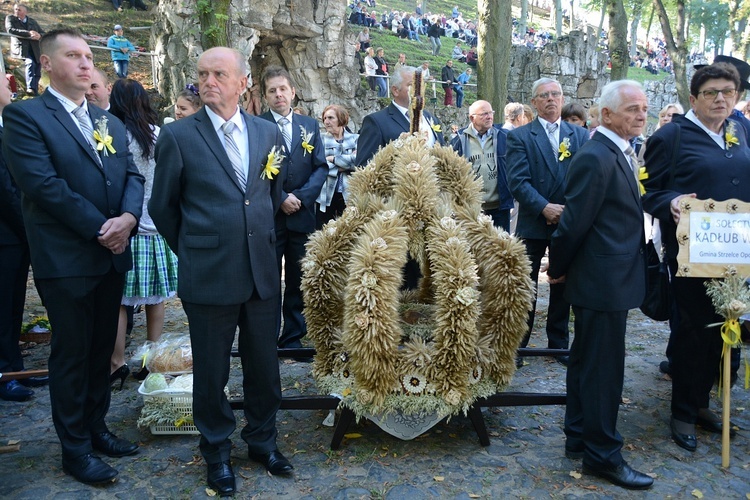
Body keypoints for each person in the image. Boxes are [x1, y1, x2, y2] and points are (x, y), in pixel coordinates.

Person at [3, 28, 144, 485]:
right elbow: (43, 186)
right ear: (46, 64)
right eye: (73, 56)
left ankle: (96, 426)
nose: (86, 64)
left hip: (112, 253)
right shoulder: (27, 118)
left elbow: (133, 175)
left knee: (102, 347)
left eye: (89, 56)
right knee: (72, 352)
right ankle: (75, 448)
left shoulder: (109, 122)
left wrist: (127, 218)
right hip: (66, 258)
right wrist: (101, 229)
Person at [150, 48, 293, 496]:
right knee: (211, 373)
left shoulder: (267, 132)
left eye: (218, 74)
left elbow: (270, 196)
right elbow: (163, 207)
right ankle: (216, 453)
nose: (208, 81)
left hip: (262, 273)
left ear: (241, 82)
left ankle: (262, 442)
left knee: (264, 368)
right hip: (208, 274)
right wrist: (196, 250)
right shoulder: (178, 136)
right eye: (202, 74)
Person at [547, 79, 653, 490]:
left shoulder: (617, 151)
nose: (641, 114)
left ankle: (578, 437)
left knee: (587, 363)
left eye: (644, 108)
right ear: (606, 115)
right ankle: (603, 455)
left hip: (608, 279)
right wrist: (558, 268)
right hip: (601, 282)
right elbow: (573, 224)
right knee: (603, 371)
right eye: (632, 109)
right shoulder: (597, 155)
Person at [642, 62, 750, 453]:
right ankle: (683, 411)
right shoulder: (672, 136)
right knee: (692, 332)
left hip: (736, 252)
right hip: (693, 253)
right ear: (693, 98)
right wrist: (670, 200)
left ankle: (705, 403)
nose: (721, 99)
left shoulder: (740, 130)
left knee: (726, 332)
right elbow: (648, 191)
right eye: (711, 92)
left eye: (728, 92)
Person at [506, 77, 589, 366]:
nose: (551, 99)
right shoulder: (519, 136)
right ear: (534, 102)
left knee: (563, 283)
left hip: (568, 221)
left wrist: (569, 210)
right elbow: (517, 181)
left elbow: (585, 178)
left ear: (563, 98)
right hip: (533, 221)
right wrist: (544, 207)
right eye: (544, 95)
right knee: (525, 286)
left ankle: (559, 343)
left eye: (556, 94)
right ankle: (519, 344)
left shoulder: (579, 136)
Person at [108, 78, 178, 388]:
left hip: (124, 225)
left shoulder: (113, 135)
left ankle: (116, 362)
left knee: (119, 301)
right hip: (155, 224)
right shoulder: (157, 135)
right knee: (156, 299)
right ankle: (153, 360)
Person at [258, 66, 327, 353]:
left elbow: (321, 166)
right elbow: (253, 173)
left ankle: (293, 337)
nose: (278, 95)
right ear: (265, 96)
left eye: (282, 89)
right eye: (272, 91)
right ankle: (266, 338)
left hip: (302, 214)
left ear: (293, 91)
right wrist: (280, 198)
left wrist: (300, 197)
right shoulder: (256, 126)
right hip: (270, 218)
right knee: (269, 280)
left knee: (299, 278)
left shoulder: (308, 126)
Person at [0, 73, 49, 402]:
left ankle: (14, 367)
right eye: (2, 81)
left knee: (12, 305)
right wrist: (30, 229)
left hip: (13, 237)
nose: (9, 82)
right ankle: (5, 373)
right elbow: (6, 191)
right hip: (7, 235)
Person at [355, 65, 445, 168]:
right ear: (395, 90)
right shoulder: (376, 122)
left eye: (421, 86)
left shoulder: (431, 118)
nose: (418, 90)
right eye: (412, 85)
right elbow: (363, 168)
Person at [450, 100, 513, 231]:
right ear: (472, 118)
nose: (489, 117)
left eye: (491, 112)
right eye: (484, 114)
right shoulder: (459, 140)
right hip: (471, 209)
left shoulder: (504, 137)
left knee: (501, 248)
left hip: (500, 207)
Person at [317, 104, 358, 228]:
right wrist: (346, 164)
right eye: (324, 118)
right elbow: (320, 165)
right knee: (324, 232)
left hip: (349, 192)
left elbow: (358, 162)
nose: (326, 122)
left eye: (330, 118)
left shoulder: (356, 139)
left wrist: (332, 159)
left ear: (341, 119)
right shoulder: (320, 140)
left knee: (348, 230)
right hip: (326, 194)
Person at [5, 3, 45, 96]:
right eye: (15, 9)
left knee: (38, 68)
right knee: (30, 63)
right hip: (21, 48)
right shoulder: (10, 18)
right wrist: (28, 33)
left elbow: (42, 32)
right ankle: (30, 88)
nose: (16, 11)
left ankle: (35, 90)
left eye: (19, 10)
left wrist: (39, 35)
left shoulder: (32, 21)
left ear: (25, 12)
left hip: (34, 48)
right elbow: (10, 30)